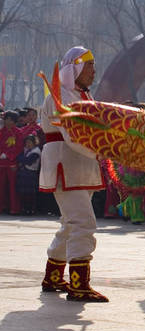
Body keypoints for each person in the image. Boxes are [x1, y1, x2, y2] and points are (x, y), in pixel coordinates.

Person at [40, 46, 107, 302]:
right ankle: (79, 285)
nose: (93, 71)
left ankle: (54, 276)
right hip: (65, 165)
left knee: (70, 223)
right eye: (89, 66)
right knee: (82, 223)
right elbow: (74, 135)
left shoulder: (81, 95)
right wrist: (100, 151)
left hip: (80, 166)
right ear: (76, 67)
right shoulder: (60, 95)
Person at [0, 110, 23, 214]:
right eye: (6, 119)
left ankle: (14, 208)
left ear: (15, 121)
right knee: (1, 186)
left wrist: (9, 155)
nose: (8, 122)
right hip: (1, 163)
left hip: (12, 163)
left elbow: (19, 147)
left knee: (13, 187)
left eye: (10, 120)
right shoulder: (1, 132)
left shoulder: (18, 132)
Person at [16, 135, 41, 215]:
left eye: (30, 142)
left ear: (34, 142)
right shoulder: (26, 150)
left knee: (31, 194)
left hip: (31, 173)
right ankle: (25, 209)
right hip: (24, 173)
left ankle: (32, 209)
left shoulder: (36, 151)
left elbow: (28, 161)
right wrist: (21, 159)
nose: (28, 144)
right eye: (26, 142)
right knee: (24, 193)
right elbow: (20, 158)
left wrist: (21, 159)